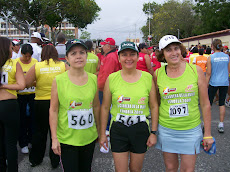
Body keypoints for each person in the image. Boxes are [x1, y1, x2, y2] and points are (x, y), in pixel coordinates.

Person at [155, 35, 214, 172]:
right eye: (168, 50)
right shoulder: (157, 74)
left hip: (191, 130)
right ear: (162, 54)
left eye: (176, 48)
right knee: (170, 168)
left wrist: (208, 134)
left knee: (188, 170)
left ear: (181, 50)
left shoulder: (195, 71)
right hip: (167, 129)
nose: (174, 53)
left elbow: (205, 104)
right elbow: (156, 104)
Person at [100, 41, 158, 172]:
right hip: (118, 129)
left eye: (132, 54)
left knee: (135, 169)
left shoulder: (147, 78)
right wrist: (103, 133)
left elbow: (154, 106)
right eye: (124, 55)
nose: (128, 58)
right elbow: (104, 107)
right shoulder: (112, 78)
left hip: (140, 129)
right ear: (119, 58)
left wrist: (153, 132)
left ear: (138, 57)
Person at [50, 40, 100, 172]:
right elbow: (53, 110)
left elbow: (96, 107)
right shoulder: (59, 80)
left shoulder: (93, 79)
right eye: (73, 53)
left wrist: (100, 130)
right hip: (67, 139)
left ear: (86, 55)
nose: (78, 56)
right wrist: (54, 138)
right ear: (67, 58)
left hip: (88, 138)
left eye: (82, 53)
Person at [25, 45, 66, 168]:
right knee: (57, 132)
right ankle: (55, 160)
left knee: (39, 132)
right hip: (58, 102)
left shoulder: (37, 66)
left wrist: (37, 81)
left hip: (40, 102)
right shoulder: (62, 65)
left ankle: (35, 159)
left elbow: (26, 83)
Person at [0, 37, 25, 172]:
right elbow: (22, 85)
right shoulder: (15, 64)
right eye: (11, 47)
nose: (12, 49)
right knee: (11, 143)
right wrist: (5, 86)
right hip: (10, 105)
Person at [15, 44, 38, 154]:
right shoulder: (16, 63)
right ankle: (23, 143)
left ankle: (31, 140)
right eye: (25, 56)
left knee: (33, 119)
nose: (27, 58)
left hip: (33, 94)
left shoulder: (35, 63)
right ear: (21, 53)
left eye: (29, 56)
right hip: (20, 95)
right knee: (22, 120)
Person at [206, 39, 230, 133]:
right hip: (224, 82)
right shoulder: (227, 57)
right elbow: (228, 70)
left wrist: (205, 85)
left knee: (208, 104)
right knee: (222, 103)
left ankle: (206, 124)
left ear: (212, 46)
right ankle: (221, 124)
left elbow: (208, 73)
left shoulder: (211, 57)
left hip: (213, 82)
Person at [98, 38, 120, 132]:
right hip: (108, 87)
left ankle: (107, 130)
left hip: (105, 89)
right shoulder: (111, 55)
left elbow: (107, 75)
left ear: (108, 46)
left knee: (105, 109)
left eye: (103, 45)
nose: (102, 47)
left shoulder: (111, 57)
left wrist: (100, 87)